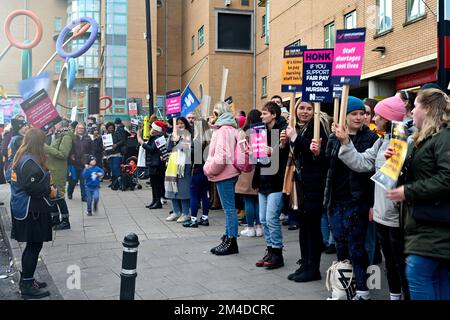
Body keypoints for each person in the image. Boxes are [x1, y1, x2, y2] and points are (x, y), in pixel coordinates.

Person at [337, 95, 410, 300]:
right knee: (389, 261)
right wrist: (345, 142)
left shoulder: (403, 140)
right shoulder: (381, 141)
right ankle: (394, 295)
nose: (373, 118)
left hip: (395, 214)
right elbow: (362, 162)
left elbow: (405, 176)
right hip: (381, 213)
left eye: (377, 115)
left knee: (399, 261)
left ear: (388, 118)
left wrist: (400, 164)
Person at [312, 96, 379, 300]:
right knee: (341, 245)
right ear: (345, 116)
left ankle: (363, 290)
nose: (359, 117)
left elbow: (369, 173)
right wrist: (317, 153)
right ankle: (344, 287)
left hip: (358, 200)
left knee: (357, 246)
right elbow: (326, 166)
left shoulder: (371, 139)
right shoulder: (333, 137)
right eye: (354, 114)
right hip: (335, 199)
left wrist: (372, 204)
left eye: (362, 113)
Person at [386, 88, 450, 300]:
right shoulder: (427, 138)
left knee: (418, 274)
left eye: (415, 107)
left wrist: (408, 191)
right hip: (426, 223)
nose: (411, 111)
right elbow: (423, 171)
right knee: (437, 278)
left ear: (428, 109)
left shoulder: (444, 137)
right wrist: (398, 159)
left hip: (433, 224)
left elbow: (447, 177)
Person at [284, 100, 330, 282]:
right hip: (300, 183)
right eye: (301, 108)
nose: (305, 111)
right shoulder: (296, 127)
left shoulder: (318, 127)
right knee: (304, 226)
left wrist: (295, 138)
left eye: (309, 108)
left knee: (312, 226)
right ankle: (305, 264)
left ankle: (313, 268)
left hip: (314, 184)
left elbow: (316, 153)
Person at [10, 128, 54, 299]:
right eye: (43, 141)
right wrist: (50, 189)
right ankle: (27, 285)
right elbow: (33, 188)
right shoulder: (29, 161)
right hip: (31, 210)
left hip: (26, 208)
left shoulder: (23, 156)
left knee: (33, 246)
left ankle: (27, 279)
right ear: (38, 143)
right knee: (34, 246)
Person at [253, 101, 289, 269]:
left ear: (274, 115)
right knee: (263, 219)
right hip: (263, 180)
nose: (261, 116)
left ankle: (277, 253)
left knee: (271, 218)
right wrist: (251, 152)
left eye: (265, 113)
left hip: (277, 181)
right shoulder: (260, 131)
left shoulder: (283, 131)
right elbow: (259, 158)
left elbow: (286, 154)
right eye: (261, 113)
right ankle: (270, 250)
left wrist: (275, 149)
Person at [204, 102, 241, 255]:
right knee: (228, 209)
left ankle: (231, 241)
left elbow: (222, 156)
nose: (213, 117)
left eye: (214, 113)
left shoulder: (224, 130)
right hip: (227, 173)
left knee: (229, 210)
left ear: (220, 114)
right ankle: (227, 238)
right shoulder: (228, 128)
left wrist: (208, 169)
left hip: (224, 173)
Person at [236, 109, 263, 237]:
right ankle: (259, 227)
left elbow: (241, 152)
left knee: (248, 200)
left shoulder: (243, 133)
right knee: (258, 200)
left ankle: (250, 227)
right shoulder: (261, 132)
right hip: (259, 169)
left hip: (247, 170)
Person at [44, 120, 74, 231]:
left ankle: (66, 221)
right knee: (52, 195)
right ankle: (55, 219)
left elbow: (63, 154)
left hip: (58, 170)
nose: (52, 124)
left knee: (59, 195)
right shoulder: (57, 135)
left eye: (55, 123)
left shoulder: (66, 137)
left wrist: (47, 148)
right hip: (51, 169)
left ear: (60, 124)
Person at [183, 119, 211, 228]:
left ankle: (193, 219)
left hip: (197, 170)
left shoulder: (196, 141)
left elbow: (192, 156)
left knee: (193, 195)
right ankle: (205, 218)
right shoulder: (209, 141)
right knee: (204, 194)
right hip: (207, 170)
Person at [165, 117, 193, 223]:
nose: (179, 125)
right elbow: (168, 148)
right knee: (172, 189)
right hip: (172, 166)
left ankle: (185, 213)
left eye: (182, 123)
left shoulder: (188, 136)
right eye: (177, 123)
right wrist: (172, 138)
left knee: (183, 190)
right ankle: (176, 212)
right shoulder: (173, 135)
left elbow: (188, 150)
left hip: (184, 167)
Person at [138, 121, 167, 209]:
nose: (151, 130)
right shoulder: (155, 137)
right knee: (154, 184)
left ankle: (157, 202)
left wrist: (141, 142)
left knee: (156, 184)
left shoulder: (159, 138)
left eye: (152, 128)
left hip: (157, 164)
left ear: (156, 130)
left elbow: (151, 149)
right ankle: (154, 200)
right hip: (153, 163)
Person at [67, 123, 92, 201]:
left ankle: (84, 197)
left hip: (84, 163)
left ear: (84, 129)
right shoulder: (72, 138)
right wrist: (71, 156)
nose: (81, 129)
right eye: (79, 128)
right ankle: (69, 192)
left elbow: (91, 150)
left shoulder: (88, 138)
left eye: (82, 128)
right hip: (74, 163)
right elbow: (69, 149)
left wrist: (90, 160)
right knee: (73, 180)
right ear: (76, 129)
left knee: (83, 181)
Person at [104, 122, 124, 190]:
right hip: (109, 154)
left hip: (117, 154)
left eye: (112, 128)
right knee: (112, 169)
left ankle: (120, 183)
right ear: (107, 129)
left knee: (116, 168)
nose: (111, 129)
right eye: (109, 128)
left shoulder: (117, 134)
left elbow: (122, 141)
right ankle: (114, 183)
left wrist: (116, 145)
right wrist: (104, 147)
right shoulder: (105, 136)